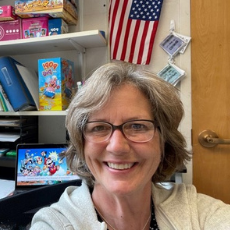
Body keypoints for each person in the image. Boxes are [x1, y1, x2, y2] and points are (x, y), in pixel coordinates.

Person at [30, 62, 230, 229]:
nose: (117, 147)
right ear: (82, 144)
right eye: (99, 128)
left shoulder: (198, 213)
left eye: (137, 126)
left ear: (164, 142)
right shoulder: (55, 224)